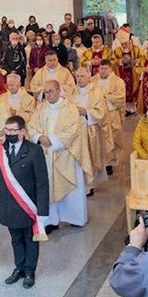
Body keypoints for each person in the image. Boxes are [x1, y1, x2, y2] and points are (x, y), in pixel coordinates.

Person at [0, 115, 49, 288]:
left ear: (22, 132)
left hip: (28, 206)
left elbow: (42, 183)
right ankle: (19, 267)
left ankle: (30, 271)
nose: (9, 133)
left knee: (30, 239)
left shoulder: (34, 151)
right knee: (15, 239)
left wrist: (43, 211)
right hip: (8, 205)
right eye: (7, 130)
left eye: (13, 130)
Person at [28, 80, 93, 232]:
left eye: (51, 91)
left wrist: (53, 141)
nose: (48, 95)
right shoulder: (41, 108)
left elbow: (73, 131)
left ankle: (75, 217)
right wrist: (38, 137)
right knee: (48, 187)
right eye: (45, 92)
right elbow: (31, 126)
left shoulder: (70, 109)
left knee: (70, 187)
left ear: (59, 90)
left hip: (66, 154)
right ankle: (51, 220)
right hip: (45, 154)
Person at [69, 67, 109, 195]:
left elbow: (101, 111)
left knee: (90, 157)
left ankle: (89, 185)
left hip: (89, 129)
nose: (79, 79)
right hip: (75, 131)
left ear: (89, 77)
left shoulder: (96, 92)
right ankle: (78, 183)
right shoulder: (71, 91)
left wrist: (86, 112)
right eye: (78, 76)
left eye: (82, 76)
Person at [91, 59, 126, 174]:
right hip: (97, 115)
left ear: (110, 69)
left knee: (112, 139)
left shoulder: (118, 81)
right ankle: (99, 162)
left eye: (106, 68)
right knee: (99, 139)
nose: (103, 71)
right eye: (101, 68)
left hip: (111, 114)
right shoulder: (93, 80)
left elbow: (120, 97)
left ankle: (110, 163)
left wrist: (105, 97)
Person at [113, 28, 142, 115]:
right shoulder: (117, 50)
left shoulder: (136, 49)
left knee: (132, 89)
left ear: (129, 40)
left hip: (133, 73)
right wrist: (120, 61)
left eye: (126, 43)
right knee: (124, 89)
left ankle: (133, 107)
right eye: (122, 44)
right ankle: (125, 108)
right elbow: (113, 60)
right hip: (122, 73)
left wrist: (136, 61)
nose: (124, 45)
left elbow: (142, 58)